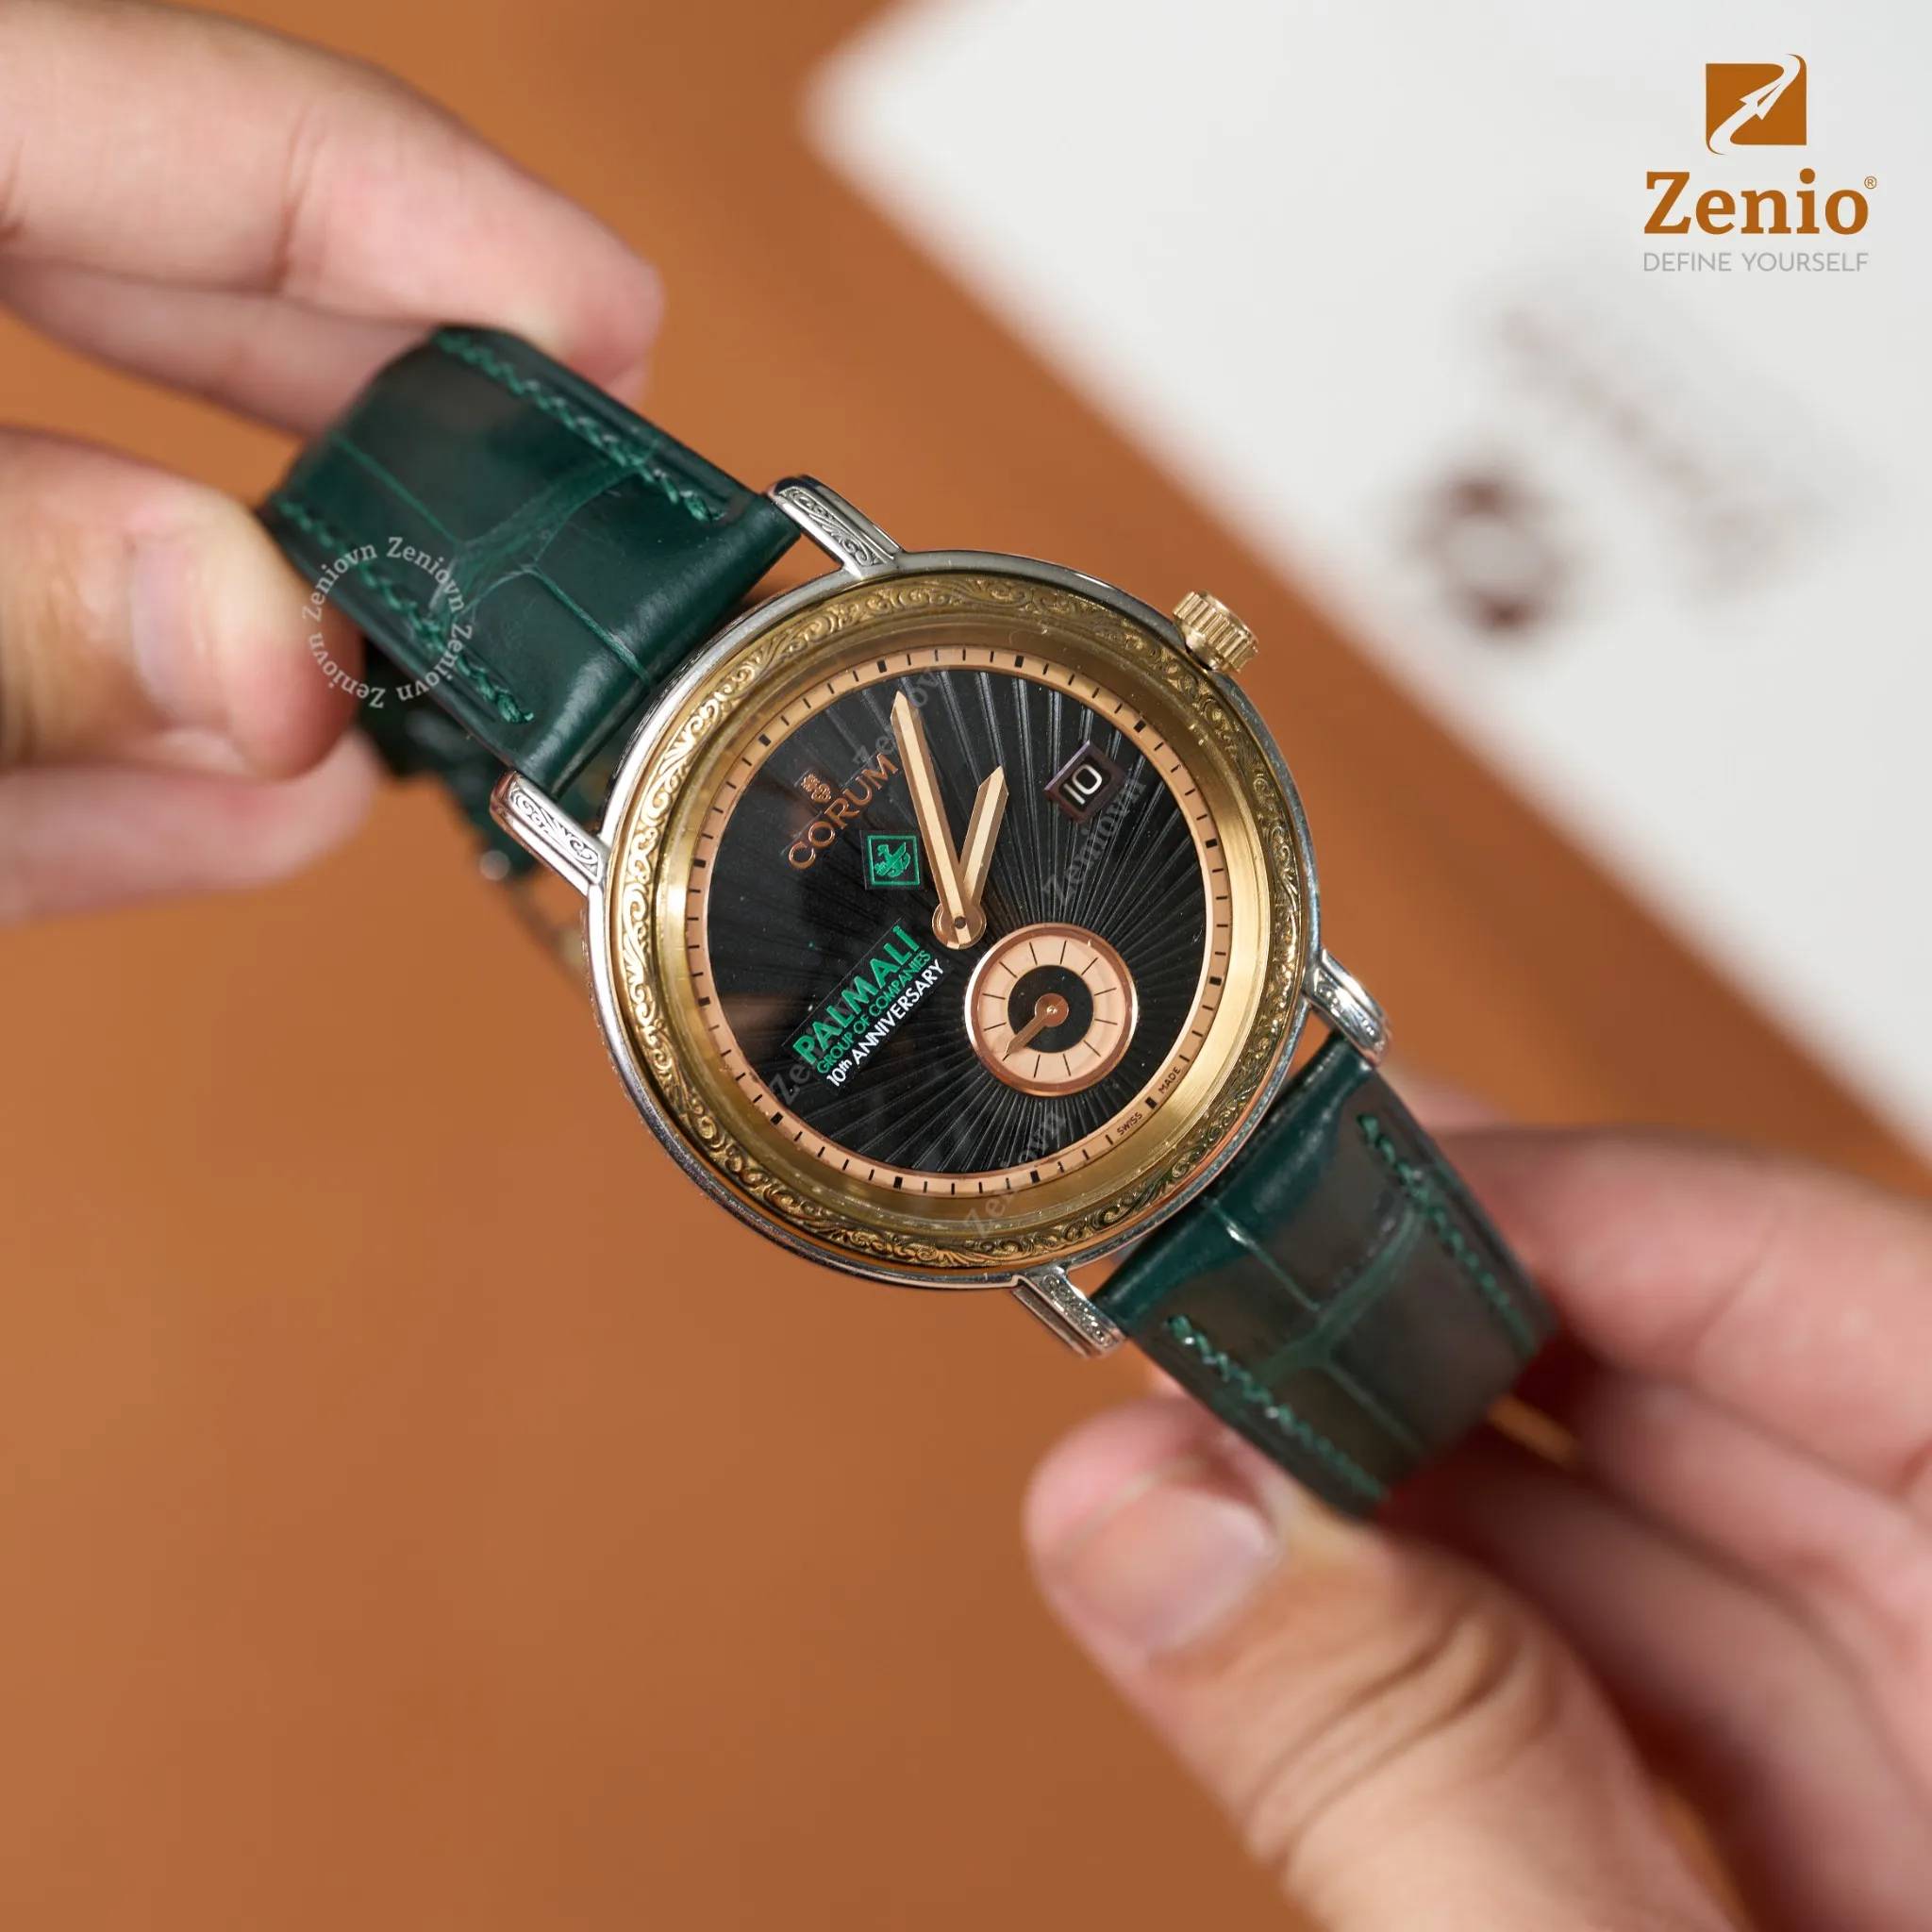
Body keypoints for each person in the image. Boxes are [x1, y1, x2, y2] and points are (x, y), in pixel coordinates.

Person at [2, 6, 1926, 1926]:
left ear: (1160, 682)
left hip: (1183, 1066)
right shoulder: (640, 841)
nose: (959, 936)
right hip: (1082, 1094)